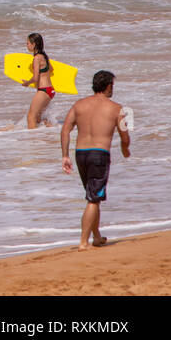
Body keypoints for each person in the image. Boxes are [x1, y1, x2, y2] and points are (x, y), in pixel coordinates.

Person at [60, 70, 130, 250]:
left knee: (94, 195)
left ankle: (97, 237)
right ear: (108, 86)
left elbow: (65, 130)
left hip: (80, 154)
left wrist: (65, 155)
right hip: (99, 155)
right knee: (93, 199)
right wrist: (125, 150)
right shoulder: (117, 108)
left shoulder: (79, 105)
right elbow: (125, 136)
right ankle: (83, 242)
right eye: (112, 85)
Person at [21, 32, 55, 128]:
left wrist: (27, 83)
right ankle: (49, 133)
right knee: (40, 118)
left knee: (31, 117)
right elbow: (51, 69)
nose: (26, 45)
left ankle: (33, 141)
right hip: (50, 90)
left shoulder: (36, 58)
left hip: (43, 90)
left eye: (27, 43)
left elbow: (35, 78)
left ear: (34, 44)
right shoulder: (44, 56)